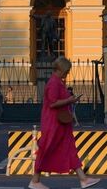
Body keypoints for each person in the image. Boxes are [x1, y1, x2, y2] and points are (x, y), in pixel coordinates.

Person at [30, 57, 98, 189]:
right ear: (60, 69)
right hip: (54, 123)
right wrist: (69, 101)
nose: (67, 73)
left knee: (69, 148)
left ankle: (83, 179)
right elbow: (52, 103)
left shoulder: (57, 82)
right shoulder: (54, 83)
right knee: (47, 148)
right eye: (66, 71)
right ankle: (35, 180)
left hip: (61, 123)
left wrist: (69, 100)